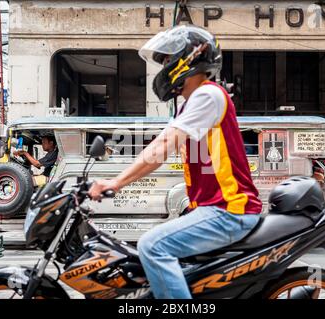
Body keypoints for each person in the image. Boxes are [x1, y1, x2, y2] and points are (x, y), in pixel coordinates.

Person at [88, 25, 262, 299]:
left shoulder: (207, 95)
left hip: (229, 211)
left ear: (188, 58)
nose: (165, 68)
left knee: (151, 246)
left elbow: (163, 146)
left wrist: (116, 182)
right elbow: (163, 145)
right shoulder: (191, 103)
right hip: (211, 209)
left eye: (168, 60)